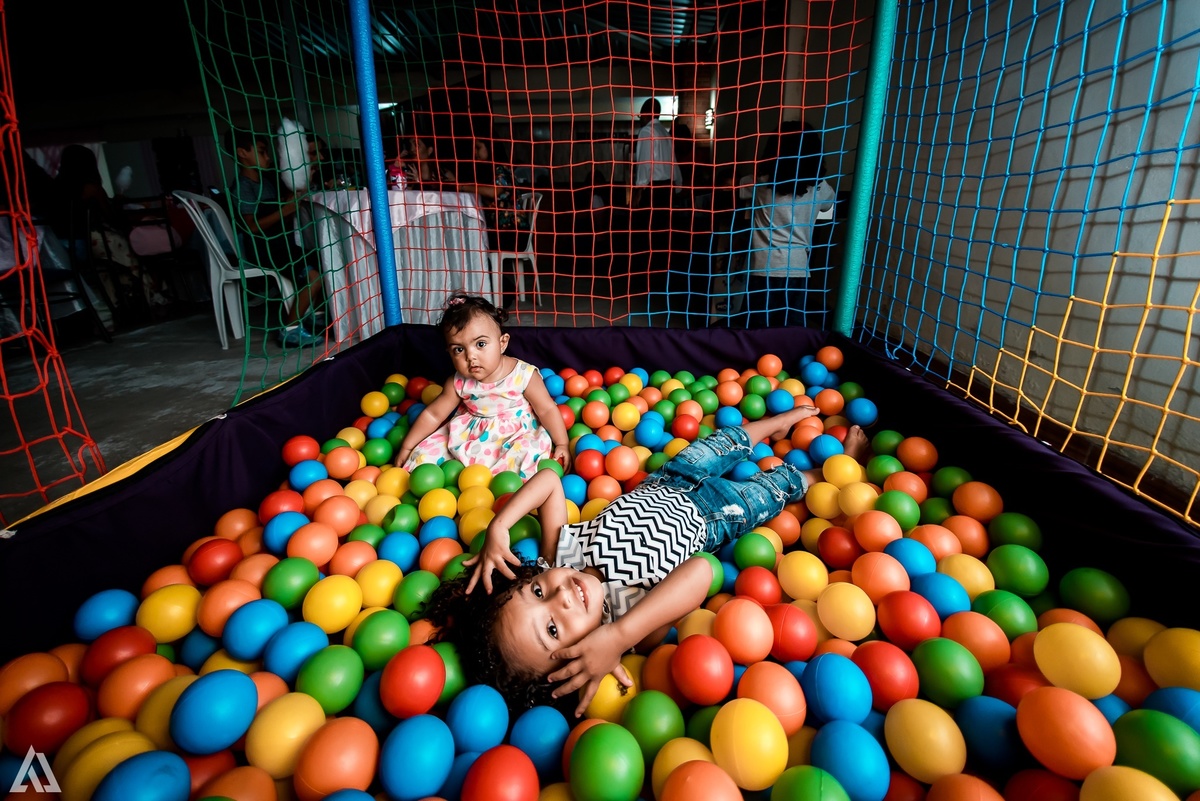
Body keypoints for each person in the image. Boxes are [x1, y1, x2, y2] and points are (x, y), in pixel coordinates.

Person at [421, 406, 870, 716]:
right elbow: (699, 574)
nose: (559, 596)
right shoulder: (630, 619)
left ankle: (779, 421)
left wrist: (501, 525)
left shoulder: (561, 552)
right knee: (775, 490)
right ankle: (834, 469)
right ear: (576, 660)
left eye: (536, 591)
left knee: (724, 440)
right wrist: (617, 636)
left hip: (669, 478)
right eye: (554, 629)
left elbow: (550, 483)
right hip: (714, 516)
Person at [394, 293, 570, 479]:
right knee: (424, 457)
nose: (471, 356)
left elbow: (547, 410)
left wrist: (562, 443)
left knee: (525, 459)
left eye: (480, 344)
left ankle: (510, 495)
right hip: (469, 435)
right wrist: (407, 446)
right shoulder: (458, 382)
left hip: (515, 436)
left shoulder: (523, 374)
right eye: (459, 350)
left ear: (502, 343)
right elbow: (433, 415)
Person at [226, 128, 326, 346]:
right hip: (266, 250)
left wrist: (289, 199)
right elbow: (250, 227)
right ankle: (289, 329)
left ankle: (314, 314)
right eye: (262, 152)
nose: (268, 157)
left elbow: (277, 207)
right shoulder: (243, 187)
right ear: (242, 153)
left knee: (324, 259)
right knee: (314, 276)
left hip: (283, 245)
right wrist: (286, 210)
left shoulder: (265, 182)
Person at [739, 121, 837, 328]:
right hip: (798, 268)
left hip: (763, 267)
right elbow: (828, 206)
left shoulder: (760, 183)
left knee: (757, 327)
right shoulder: (820, 188)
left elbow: (735, 188)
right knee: (791, 328)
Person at [455, 139, 533, 308]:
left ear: (491, 149)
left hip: (513, 232)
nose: (474, 152)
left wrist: (463, 187)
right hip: (498, 230)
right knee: (471, 241)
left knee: (475, 244)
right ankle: (494, 291)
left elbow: (496, 192)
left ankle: (502, 292)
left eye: (478, 148)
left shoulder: (501, 169)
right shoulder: (486, 172)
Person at [631, 99, 682, 213]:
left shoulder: (647, 131)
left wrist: (638, 190)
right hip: (668, 189)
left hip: (653, 191)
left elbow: (645, 163)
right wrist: (678, 186)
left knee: (648, 227)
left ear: (645, 114)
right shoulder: (666, 133)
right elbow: (673, 162)